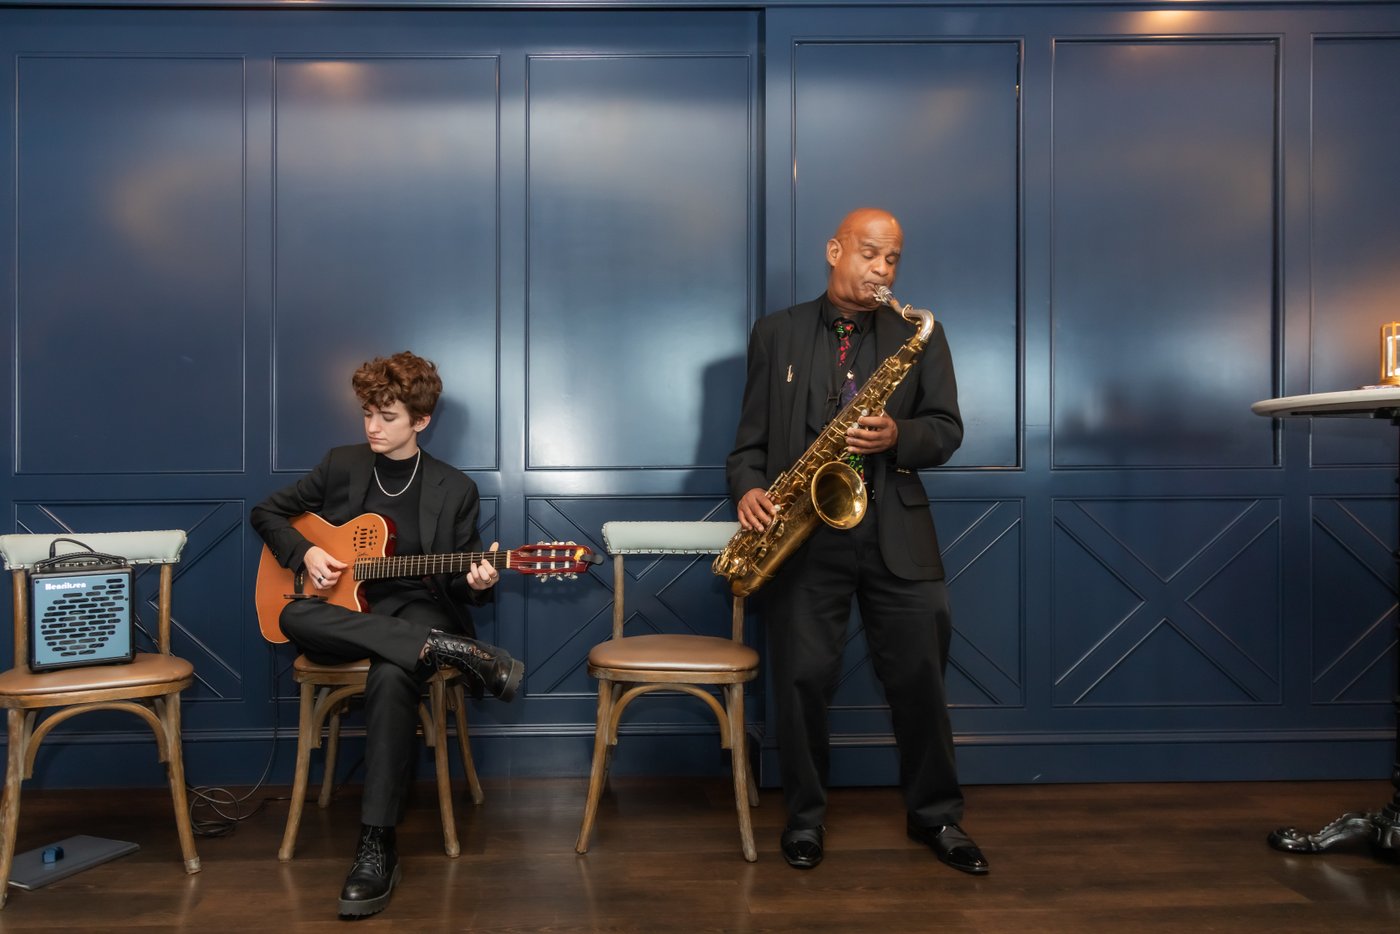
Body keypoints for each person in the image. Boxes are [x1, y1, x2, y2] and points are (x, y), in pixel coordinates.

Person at [725, 208, 988, 874]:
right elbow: (747, 444)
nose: (882, 269)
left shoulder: (918, 333)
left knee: (921, 680)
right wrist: (750, 490)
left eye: (893, 259)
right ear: (834, 249)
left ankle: (937, 816)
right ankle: (805, 819)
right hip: (803, 534)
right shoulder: (775, 333)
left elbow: (947, 429)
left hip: (896, 529)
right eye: (870, 254)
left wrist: (899, 437)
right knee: (801, 681)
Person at [251, 350, 524, 919]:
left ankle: (376, 843)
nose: (372, 426)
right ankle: (454, 655)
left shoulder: (455, 488)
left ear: (420, 421)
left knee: (395, 671)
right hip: (342, 616)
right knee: (292, 614)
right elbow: (268, 513)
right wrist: (307, 553)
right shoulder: (342, 465)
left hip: (420, 613)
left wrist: (481, 581)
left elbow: (467, 580)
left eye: (387, 416)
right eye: (367, 413)